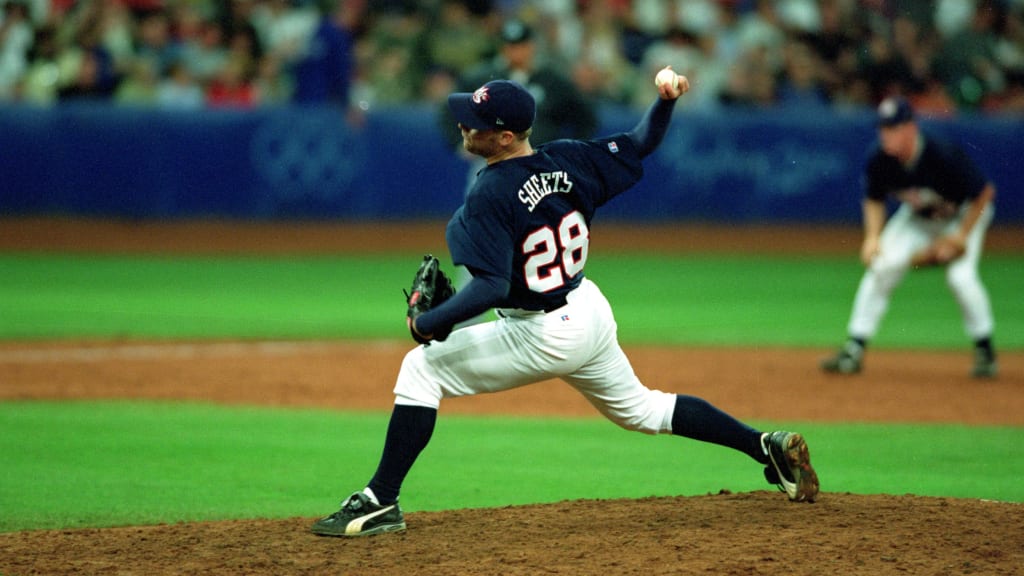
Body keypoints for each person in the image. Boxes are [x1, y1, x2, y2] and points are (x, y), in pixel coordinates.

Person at [311, 69, 820, 538]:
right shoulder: (569, 157)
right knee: (643, 408)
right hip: (587, 309)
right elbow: (641, 142)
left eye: (476, 123)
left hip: (543, 331)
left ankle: (380, 501)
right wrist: (664, 101)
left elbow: (488, 287)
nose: (465, 126)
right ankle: (764, 446)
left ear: (504, 136)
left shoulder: (488, 194)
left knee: (420, 369)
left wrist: (428, 324)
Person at [821, 96, 998, 378]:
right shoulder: (879, 158)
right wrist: (872, 237)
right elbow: (874, 200)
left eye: (893, 128)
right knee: (881, 266)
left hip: (963, 216)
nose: (886, 135)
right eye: (883, 128)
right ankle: (853, 349)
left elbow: (984, 194)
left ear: (910, 128)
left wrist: (960, 237)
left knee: (960, 278)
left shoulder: (940, 153)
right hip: (918, 219)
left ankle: (985, 351)